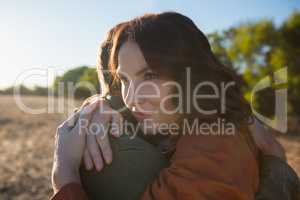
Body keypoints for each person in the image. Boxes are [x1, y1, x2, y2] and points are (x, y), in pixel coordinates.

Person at [51, 12, 300, 200]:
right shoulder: (185, 119)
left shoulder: (214, 146)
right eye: (125, 79)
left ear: (190, 76)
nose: (133, 97)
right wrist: (96, 105)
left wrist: (65, 176)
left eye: (150, 76)